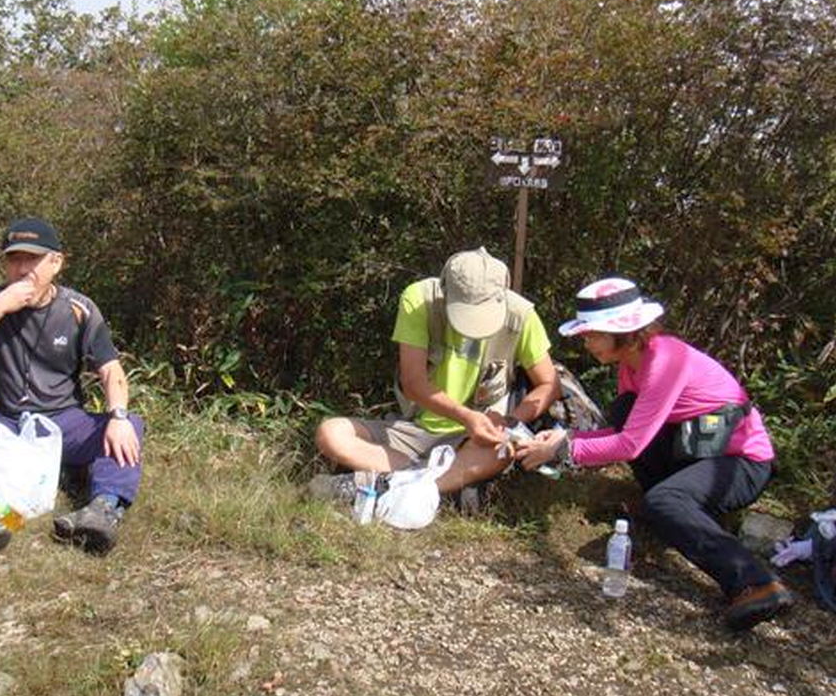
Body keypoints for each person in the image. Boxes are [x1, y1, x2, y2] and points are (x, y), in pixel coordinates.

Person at [516, 276, 793, 630]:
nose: (587, 344)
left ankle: (755, 582)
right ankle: (673, 508)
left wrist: (564, 448)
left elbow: (630, 444)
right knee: (625, 412)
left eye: (594, 334)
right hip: (696, 451)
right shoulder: (631, 364)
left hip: (741, 462)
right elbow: (624, 432)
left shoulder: (666, 359)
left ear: (627, 331)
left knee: (666, 502)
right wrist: (564, 436)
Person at [0, 217, 144, 562]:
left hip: (63, 422)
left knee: (130, 425)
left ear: (56, 262)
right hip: (6, 422)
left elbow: (111, 370)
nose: (22, 269)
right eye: (14, 259)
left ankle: (101, 510)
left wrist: (119, 416)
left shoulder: (78, 309)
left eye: (32, 259)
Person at [314, 247, 561, 500]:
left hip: (476, 441)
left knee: (501, 453)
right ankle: (432, 486)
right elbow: (413, 383)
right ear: (444, 290)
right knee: (331, 433)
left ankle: (390, 486)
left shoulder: (521, 316)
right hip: (413, 429)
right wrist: (466, 417)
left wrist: (509, 422)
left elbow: (549, 385)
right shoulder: (419, 300)